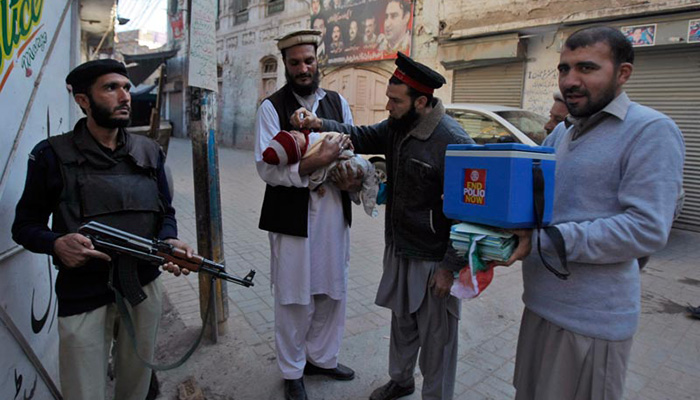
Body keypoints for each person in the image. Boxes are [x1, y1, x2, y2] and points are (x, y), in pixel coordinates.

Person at [497, 26, 685, 400]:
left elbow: (646, 229)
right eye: (564, 69)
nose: (571, 80)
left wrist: (546, 241)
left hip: (591, 324)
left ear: (623, 73)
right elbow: (541, 204)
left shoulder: (650, 130)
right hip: (540, 306)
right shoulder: (564, 133)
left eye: (586, 68)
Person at [293, 52, 473, 400]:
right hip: (401, 249)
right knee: (403, 324)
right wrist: (318, 124)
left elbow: (467, 214)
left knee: (438, 338)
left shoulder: (452, 140)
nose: (387, 107)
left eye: (394, 100)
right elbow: (358, 134)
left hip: (434, 258)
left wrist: (450, 268)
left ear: (421, 101)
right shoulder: (397, 127)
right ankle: (401, 380)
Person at [11, 59, 194, 400]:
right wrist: (56, 244)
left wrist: (169, 240)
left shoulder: (150, 152)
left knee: (135, 388)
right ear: (83, 100)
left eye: (126, 87)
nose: (124, 96)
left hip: (142, 290)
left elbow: (165, 213)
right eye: (111, 88)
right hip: (82, 295)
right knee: (84, 392)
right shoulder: (50, 155)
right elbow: (24, 227)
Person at [254, 29, 356, 400]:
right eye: (295, 62)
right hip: (290, 216)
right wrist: (314, 165)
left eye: (308, 61)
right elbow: (266, 169)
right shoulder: (271, 108)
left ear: (318, 62)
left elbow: (351, 144)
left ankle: (323, 358)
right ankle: (292, 370)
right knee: (294, 297)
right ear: (285, 65)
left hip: (332, 214)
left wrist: (350, 171)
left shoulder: (337, 103)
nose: (303, 68)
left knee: (332, 290)